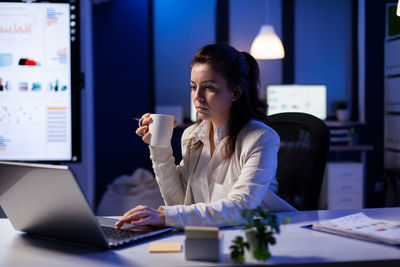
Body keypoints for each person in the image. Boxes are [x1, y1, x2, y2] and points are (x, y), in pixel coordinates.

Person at [115, 43, 292, 230]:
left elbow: (242, 208)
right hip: (214, 235)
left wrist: (164, 216)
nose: (197, 97)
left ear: (236, 92)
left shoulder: (261, 138)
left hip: (263, 236)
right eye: (193, 87)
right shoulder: (192, 135)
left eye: (209, 87)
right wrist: (159, 147)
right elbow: (178, 204)